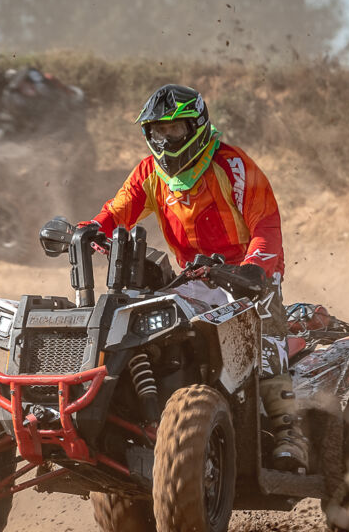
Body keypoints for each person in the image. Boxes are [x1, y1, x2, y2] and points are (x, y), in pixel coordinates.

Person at [78, 84, 310, 472]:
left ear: (196, 126)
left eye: (174, 130)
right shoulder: (149, 172)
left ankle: (290, 433)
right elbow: (118, 211)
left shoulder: (232, 165)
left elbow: (266, 223)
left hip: (248, 274)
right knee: (136, 327)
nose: (165, 141)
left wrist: (254, 268)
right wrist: (91, 228)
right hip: (192, 277)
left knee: (263, 339)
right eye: (157, 132)